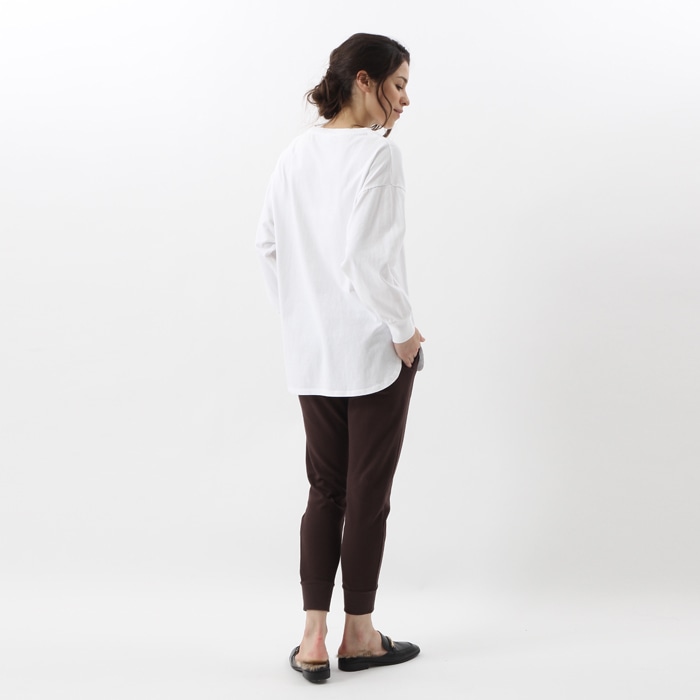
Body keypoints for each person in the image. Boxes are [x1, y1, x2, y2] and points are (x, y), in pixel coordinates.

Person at [255, 32, 424, 683]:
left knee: (324, 490)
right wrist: (404, 332)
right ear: (363, 80)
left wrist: (301, 316)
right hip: (373, 351)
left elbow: (267, 246)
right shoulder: (379, 156)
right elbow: (365, 259)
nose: (405, 99)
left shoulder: (295, 154)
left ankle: (311, 640)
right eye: (399, 84)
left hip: (312, 352)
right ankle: (359, 634)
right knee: (367, 494)